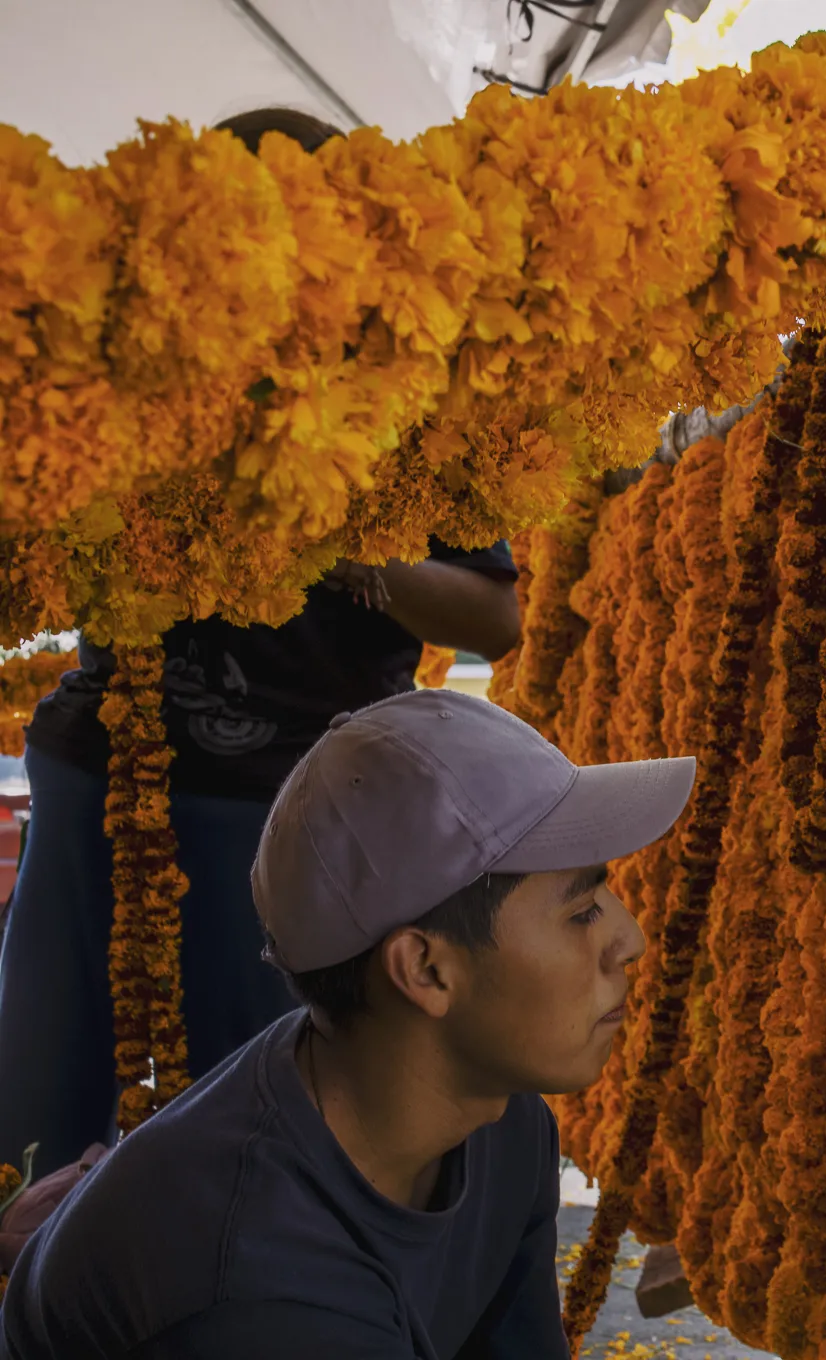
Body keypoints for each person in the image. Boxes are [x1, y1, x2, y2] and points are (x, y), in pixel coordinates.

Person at [0, 691, 826, 1358]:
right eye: (580, 908)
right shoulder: (260, 1294)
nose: (628, 940)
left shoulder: (491, 1118)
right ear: (422, 966)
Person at [0, 103, 522, 1178]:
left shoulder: (411, 379)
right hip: (102, 783)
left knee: (251, 1150)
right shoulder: (125, 353)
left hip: (295, 819)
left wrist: (332, 538)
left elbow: (490, 616)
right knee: (39, 1127)